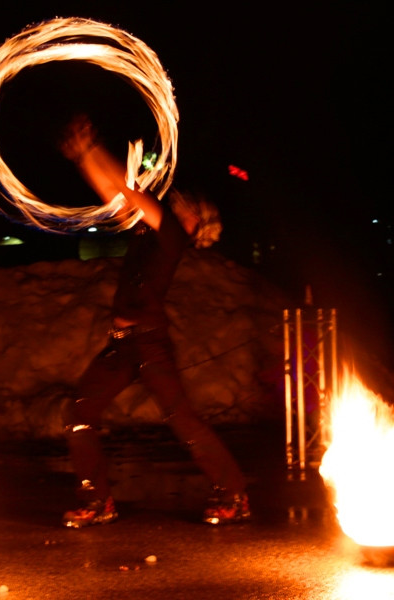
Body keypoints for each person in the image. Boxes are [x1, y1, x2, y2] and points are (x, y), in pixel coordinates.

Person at [58, 115, 250, 528]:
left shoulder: (171, 233)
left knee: (181, 418)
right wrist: (85, 155)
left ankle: (234, 493)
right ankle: (97, 501)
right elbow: (114, 190)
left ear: (195, 222)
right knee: (79, 412)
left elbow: (126, 190)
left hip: (148, 342)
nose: (178, 201)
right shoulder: (151, 230)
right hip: (122, 343)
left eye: (187, 205)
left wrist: (94, 152)